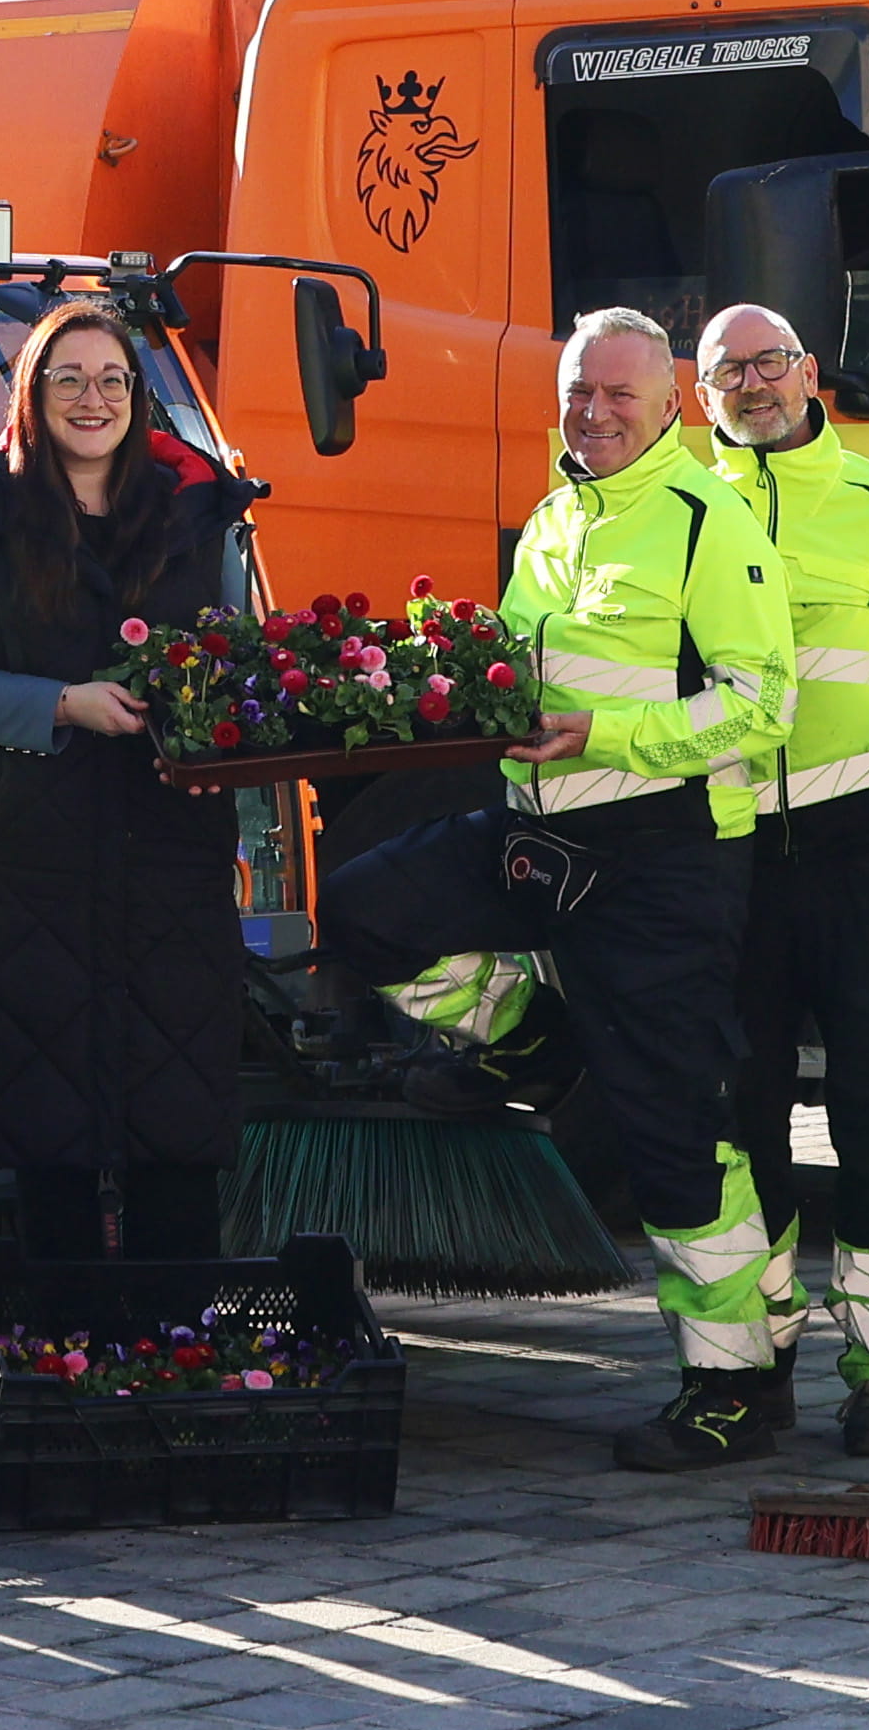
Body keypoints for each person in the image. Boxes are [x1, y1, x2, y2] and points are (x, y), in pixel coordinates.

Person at [320, 307, 790, 1469]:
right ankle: (527, 1040)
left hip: (661, 853)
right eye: (581, 389)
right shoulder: (553, 513)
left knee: (675, 1132)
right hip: (541, 837)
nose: (595, 411)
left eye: (620, 393)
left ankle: (736, 1383)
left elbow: (762, 705)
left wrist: (604, 733)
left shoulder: (707, 520)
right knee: (368, 910)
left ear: (670, 403)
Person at [0, 298, 263, 1265]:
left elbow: (239, 667)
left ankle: (175, 1355)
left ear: (139, 396)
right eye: (65, 377)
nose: (91, 396)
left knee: (177, 1113)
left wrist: (215, 738)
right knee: (46, 1127)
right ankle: (64, 1363)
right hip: (21, 854)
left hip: (170, 848)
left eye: (112, 378)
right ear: (31, 395)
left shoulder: (204, 510)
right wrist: (64, 705)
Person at [693, 298, 869, 1457]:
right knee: (736, 1116)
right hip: (724, 853)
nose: (753, 386)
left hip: (864, 851)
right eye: (728, 373)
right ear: (698, 393)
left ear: (810, 371)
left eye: (770, 363)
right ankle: (752, 1361)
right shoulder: (681, 511)